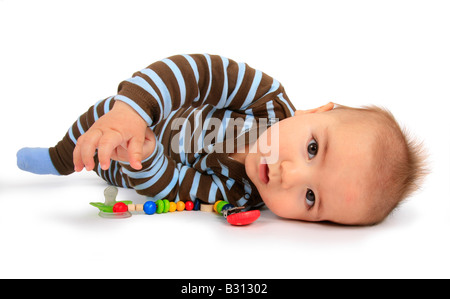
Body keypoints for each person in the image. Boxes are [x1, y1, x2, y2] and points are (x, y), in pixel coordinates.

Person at [16, 54, 427, 225]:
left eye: (310, 198)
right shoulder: (266, 99)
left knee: (113, 156)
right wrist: (135, 111)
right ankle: (59, 157)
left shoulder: (241, 193)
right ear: (317, 112)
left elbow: (178, 186)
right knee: (105, 112)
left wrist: (149, 159)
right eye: (313, 149)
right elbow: (197, 71)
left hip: (140, 159)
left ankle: (82, 156)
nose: (289, 174)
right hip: (156, 106)